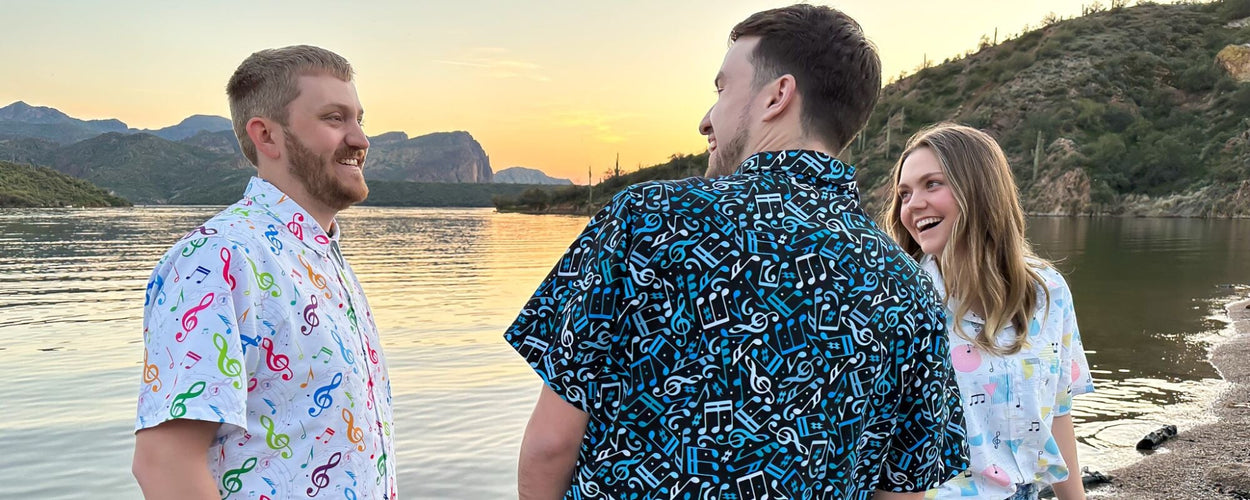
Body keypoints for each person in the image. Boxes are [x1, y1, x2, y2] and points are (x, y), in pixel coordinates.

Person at [503, 5, 967, 499]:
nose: (706, 119)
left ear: (778, 96)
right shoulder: (909, 288)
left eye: (722, 89)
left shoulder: (645, 220)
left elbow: (551, 444)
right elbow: (901, 491)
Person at [132, 45, 395, 499]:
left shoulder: (321, 257)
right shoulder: (219, 259)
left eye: (359, 119)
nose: (360, 139)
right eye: (335, 118)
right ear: (267, 136)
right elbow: (164, 464)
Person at [885, 123, 1096, 500]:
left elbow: (1058, 412)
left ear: (981, 190)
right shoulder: (901, 302)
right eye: (904, 193)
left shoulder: (1049, 293)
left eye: (932, 184)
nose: (912, 204)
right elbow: (891, 449)